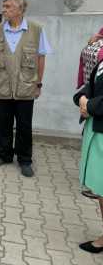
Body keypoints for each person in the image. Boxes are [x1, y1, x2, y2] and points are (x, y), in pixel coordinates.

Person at [0, 0, 51, 177]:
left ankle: (24, 160)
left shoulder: (36, 30)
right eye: (4, 6)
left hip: (26, 87)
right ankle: (4, 155)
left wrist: (38, 84)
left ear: (21, 10)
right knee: (3, 123)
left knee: (24, 125)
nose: (4, 9)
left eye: (9, 6)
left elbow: (40, 58)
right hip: (2, 86)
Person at [73, 59, 103, 253]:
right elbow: (90, 85)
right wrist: (83, 99)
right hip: (97, 128)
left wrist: (89, 106)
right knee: (101, 188)